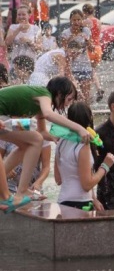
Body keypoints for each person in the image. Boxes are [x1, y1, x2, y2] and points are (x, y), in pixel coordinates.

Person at [0, 76, 91, 213]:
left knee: (30, 139)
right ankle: (21, 191)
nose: (68, 104)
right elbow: (49, 115)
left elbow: (42, 131)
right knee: (35, 139)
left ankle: (20, 189)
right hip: (2, 119)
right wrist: (78, 128)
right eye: (69, 99)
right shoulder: (44, 94)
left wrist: (56, 137)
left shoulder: (40, 107)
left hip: (4, 119)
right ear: (59, 94)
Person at [55, 102, 114, 211]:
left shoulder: (61, 142)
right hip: (80, 203)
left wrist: (94, 198)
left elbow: (58, 179)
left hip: (62, 201)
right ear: (89, 118)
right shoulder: (83, 145)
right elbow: (86, 185)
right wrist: (105, 166)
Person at [61, 9, 93, 103]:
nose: (76, 22)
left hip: (85, 66)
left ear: (82, 20)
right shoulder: (66, 33)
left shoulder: (86, 31)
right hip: (72, 68)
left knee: (86, 95)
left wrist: (87, 40)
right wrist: (69, 40)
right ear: (70, 20)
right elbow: (63, 51)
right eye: (74, 20)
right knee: (73, 95)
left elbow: (92, 49)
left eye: (79, 20)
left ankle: (86, 114)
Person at [82, 3, 104, 102]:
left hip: (90, 48)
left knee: (88, 72)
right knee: (92, 71)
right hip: (98, 48)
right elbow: (99, 35)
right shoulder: (98, 21)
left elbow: (84, 35)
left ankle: (90, 94)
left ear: (84, 12)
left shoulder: (86, 21)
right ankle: (98, 88)